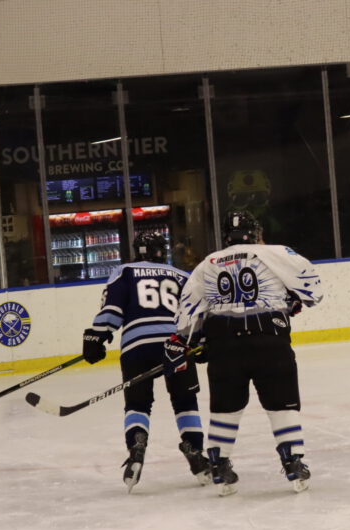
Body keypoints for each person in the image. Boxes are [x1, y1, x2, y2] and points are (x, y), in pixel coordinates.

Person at [168, 210, 324, 495]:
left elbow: (187, 314)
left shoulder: (207, 263)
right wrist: (291, 299)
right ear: (256, 233)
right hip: (269, 340)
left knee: (225, 407)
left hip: (224, 345)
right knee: (282, 404)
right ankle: (292, 462)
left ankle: (219, 465)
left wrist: (190, 340)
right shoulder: (276, 253)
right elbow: (313, 289)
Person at [81, 231, 210, 492]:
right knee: (185, 401)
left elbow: (113, 309)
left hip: (136, 346)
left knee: (137, 404)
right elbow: (196, 312)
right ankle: (195, 451)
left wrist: (97, 335)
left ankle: (137, 447)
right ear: (162, 251)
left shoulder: (124, 271)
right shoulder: (182, 275)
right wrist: (201, 340)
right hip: (176, 344)